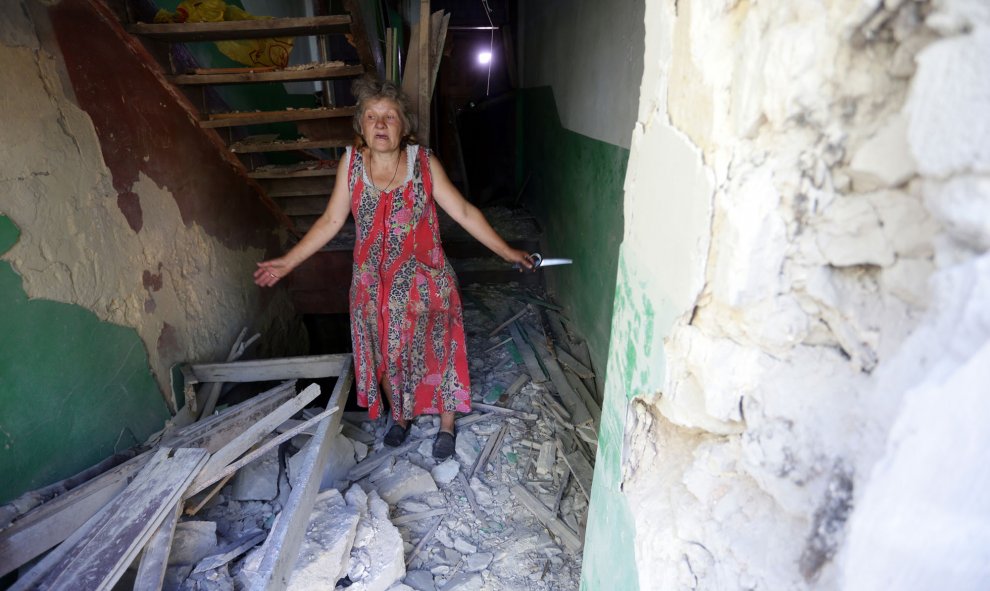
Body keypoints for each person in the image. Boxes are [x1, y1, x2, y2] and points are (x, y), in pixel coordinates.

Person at [254, 76, 533, 460]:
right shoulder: (351, 164)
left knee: (439, 350)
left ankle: (446, 425)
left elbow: (465, 212)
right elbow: (331, 221)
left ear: (404, 127)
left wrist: (506, 252)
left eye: (389, 117)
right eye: (372, 117)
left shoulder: (423, 163)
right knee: (382, 351)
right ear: (361, 126)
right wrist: (288, 261)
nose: (381, 125)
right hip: (372, 286)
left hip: (426, 281)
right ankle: (400, 417)